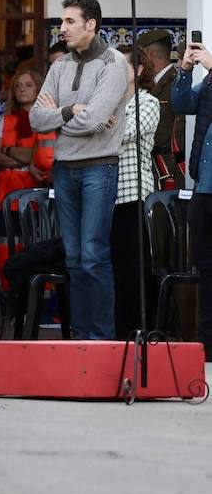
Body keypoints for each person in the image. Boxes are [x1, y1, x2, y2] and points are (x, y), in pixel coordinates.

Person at [31, 0, 129, 341]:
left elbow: (95, 120)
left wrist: (61, 115)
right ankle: (80, 337)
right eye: (62, 21)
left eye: (70, 21)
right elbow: (35, 118)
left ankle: (101, 338)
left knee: (93, 254)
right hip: (64, 169)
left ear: (92, 24)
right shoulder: (59, 66)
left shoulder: (115, 65)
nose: (63, 27)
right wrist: (72, 112)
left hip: (98, 169)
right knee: (72, 258)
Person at [112, 51, 159, 338]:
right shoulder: (111, 103)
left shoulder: (148, 102)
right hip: (107, 196)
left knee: (134, 267)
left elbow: (120, 135)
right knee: (114, 268)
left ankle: (140, 330)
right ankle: (118, 330)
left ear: (139, 68)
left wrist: (97, 125)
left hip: (133, 195)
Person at [171, 37, 212, 360]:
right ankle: (207, 344)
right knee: (205, 267)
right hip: (203, 188)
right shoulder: (209, 81)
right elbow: (182, 105)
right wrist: (185, 70)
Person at [0, 68, 55, 202]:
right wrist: (28, 160)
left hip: (34, 189)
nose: (22, 89)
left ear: (38, 89)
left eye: (28, 85)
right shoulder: (5, 119)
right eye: (18, 86)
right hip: (4, 188)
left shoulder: (46, 119)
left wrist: (7, 150)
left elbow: (42, 156)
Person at [138, 29, 183, 190]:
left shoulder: (174, 84)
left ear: (148, 54)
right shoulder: (148, 85)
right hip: (151, 168)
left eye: (140, 56)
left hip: (166, 169)